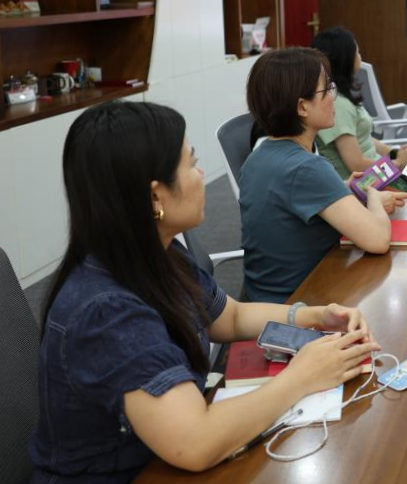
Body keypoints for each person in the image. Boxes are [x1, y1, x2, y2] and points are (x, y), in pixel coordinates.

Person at [29, 101, 379, 482]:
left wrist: (313, 316)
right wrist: (302, 376)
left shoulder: (156, 252)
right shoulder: (108, 311)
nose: (201, 175)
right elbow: (195, 442)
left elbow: (230, 317)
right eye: (192, 164)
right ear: (155, 198)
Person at [240, 48, 407, 303]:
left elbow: (290, 203)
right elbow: (378, 240)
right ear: (302, 107)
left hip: (263, 301)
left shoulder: (257, 158)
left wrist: (341, 188)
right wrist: (374, 199)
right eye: (327, 89)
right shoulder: (308, 168)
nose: (334, 97)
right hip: (301, 304)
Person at [311, 27, 407, 179]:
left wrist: (395, 153)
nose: (360, 56)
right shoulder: (336, 104)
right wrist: (398, 163)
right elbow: (357, 164)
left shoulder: (340, 96)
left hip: (376, 176)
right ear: (346, 60)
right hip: (364, 183)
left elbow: (363, 138)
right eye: (357, 52)